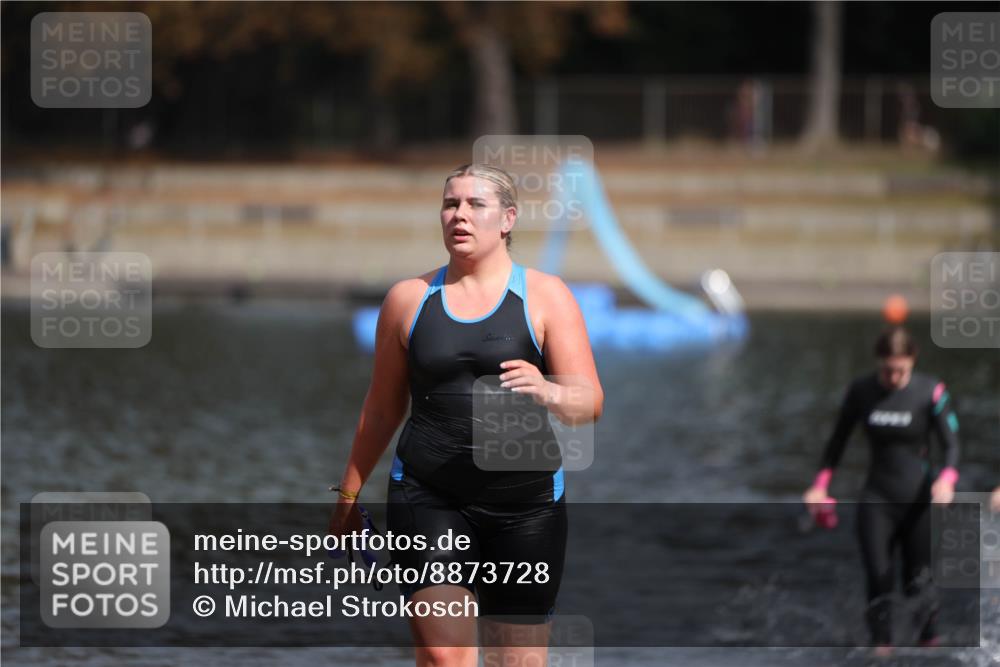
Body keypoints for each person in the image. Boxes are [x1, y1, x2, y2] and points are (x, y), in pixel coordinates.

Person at [329, 163, 603, 667]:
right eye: (450, 204)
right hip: (428, 495)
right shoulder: (408, 300)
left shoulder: (546, 296)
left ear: (508, 219)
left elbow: (589, 405)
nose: (460, 214)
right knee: (443, 655)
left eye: (476, 204)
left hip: (526, 508)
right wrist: (349, 494)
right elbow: (383, 407)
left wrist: (547, 389)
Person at [803, 326, 960, 654]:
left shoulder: (930, 391)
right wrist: (819, 486)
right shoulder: (860, 391)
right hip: (878, 498)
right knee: (879, 575)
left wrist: (947, 479)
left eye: (901, 370)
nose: (894, 377)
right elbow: (837, 442)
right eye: (887, 370)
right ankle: (881, 647)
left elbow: (952, 445)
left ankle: (928, 641)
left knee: (919, 580)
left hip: (919, 501)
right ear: (878, 362)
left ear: (913, 361)